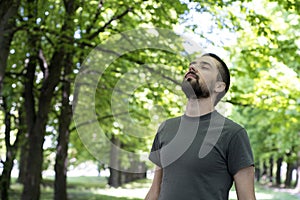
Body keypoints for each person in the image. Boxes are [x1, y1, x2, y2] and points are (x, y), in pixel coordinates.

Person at [145, 53, 256, 200]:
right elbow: (155, 191)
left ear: (219, 86)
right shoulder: (166, 128)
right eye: (193, 65)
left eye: (204, 67)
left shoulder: (233, 134)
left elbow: (247, 198)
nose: (193, 67)